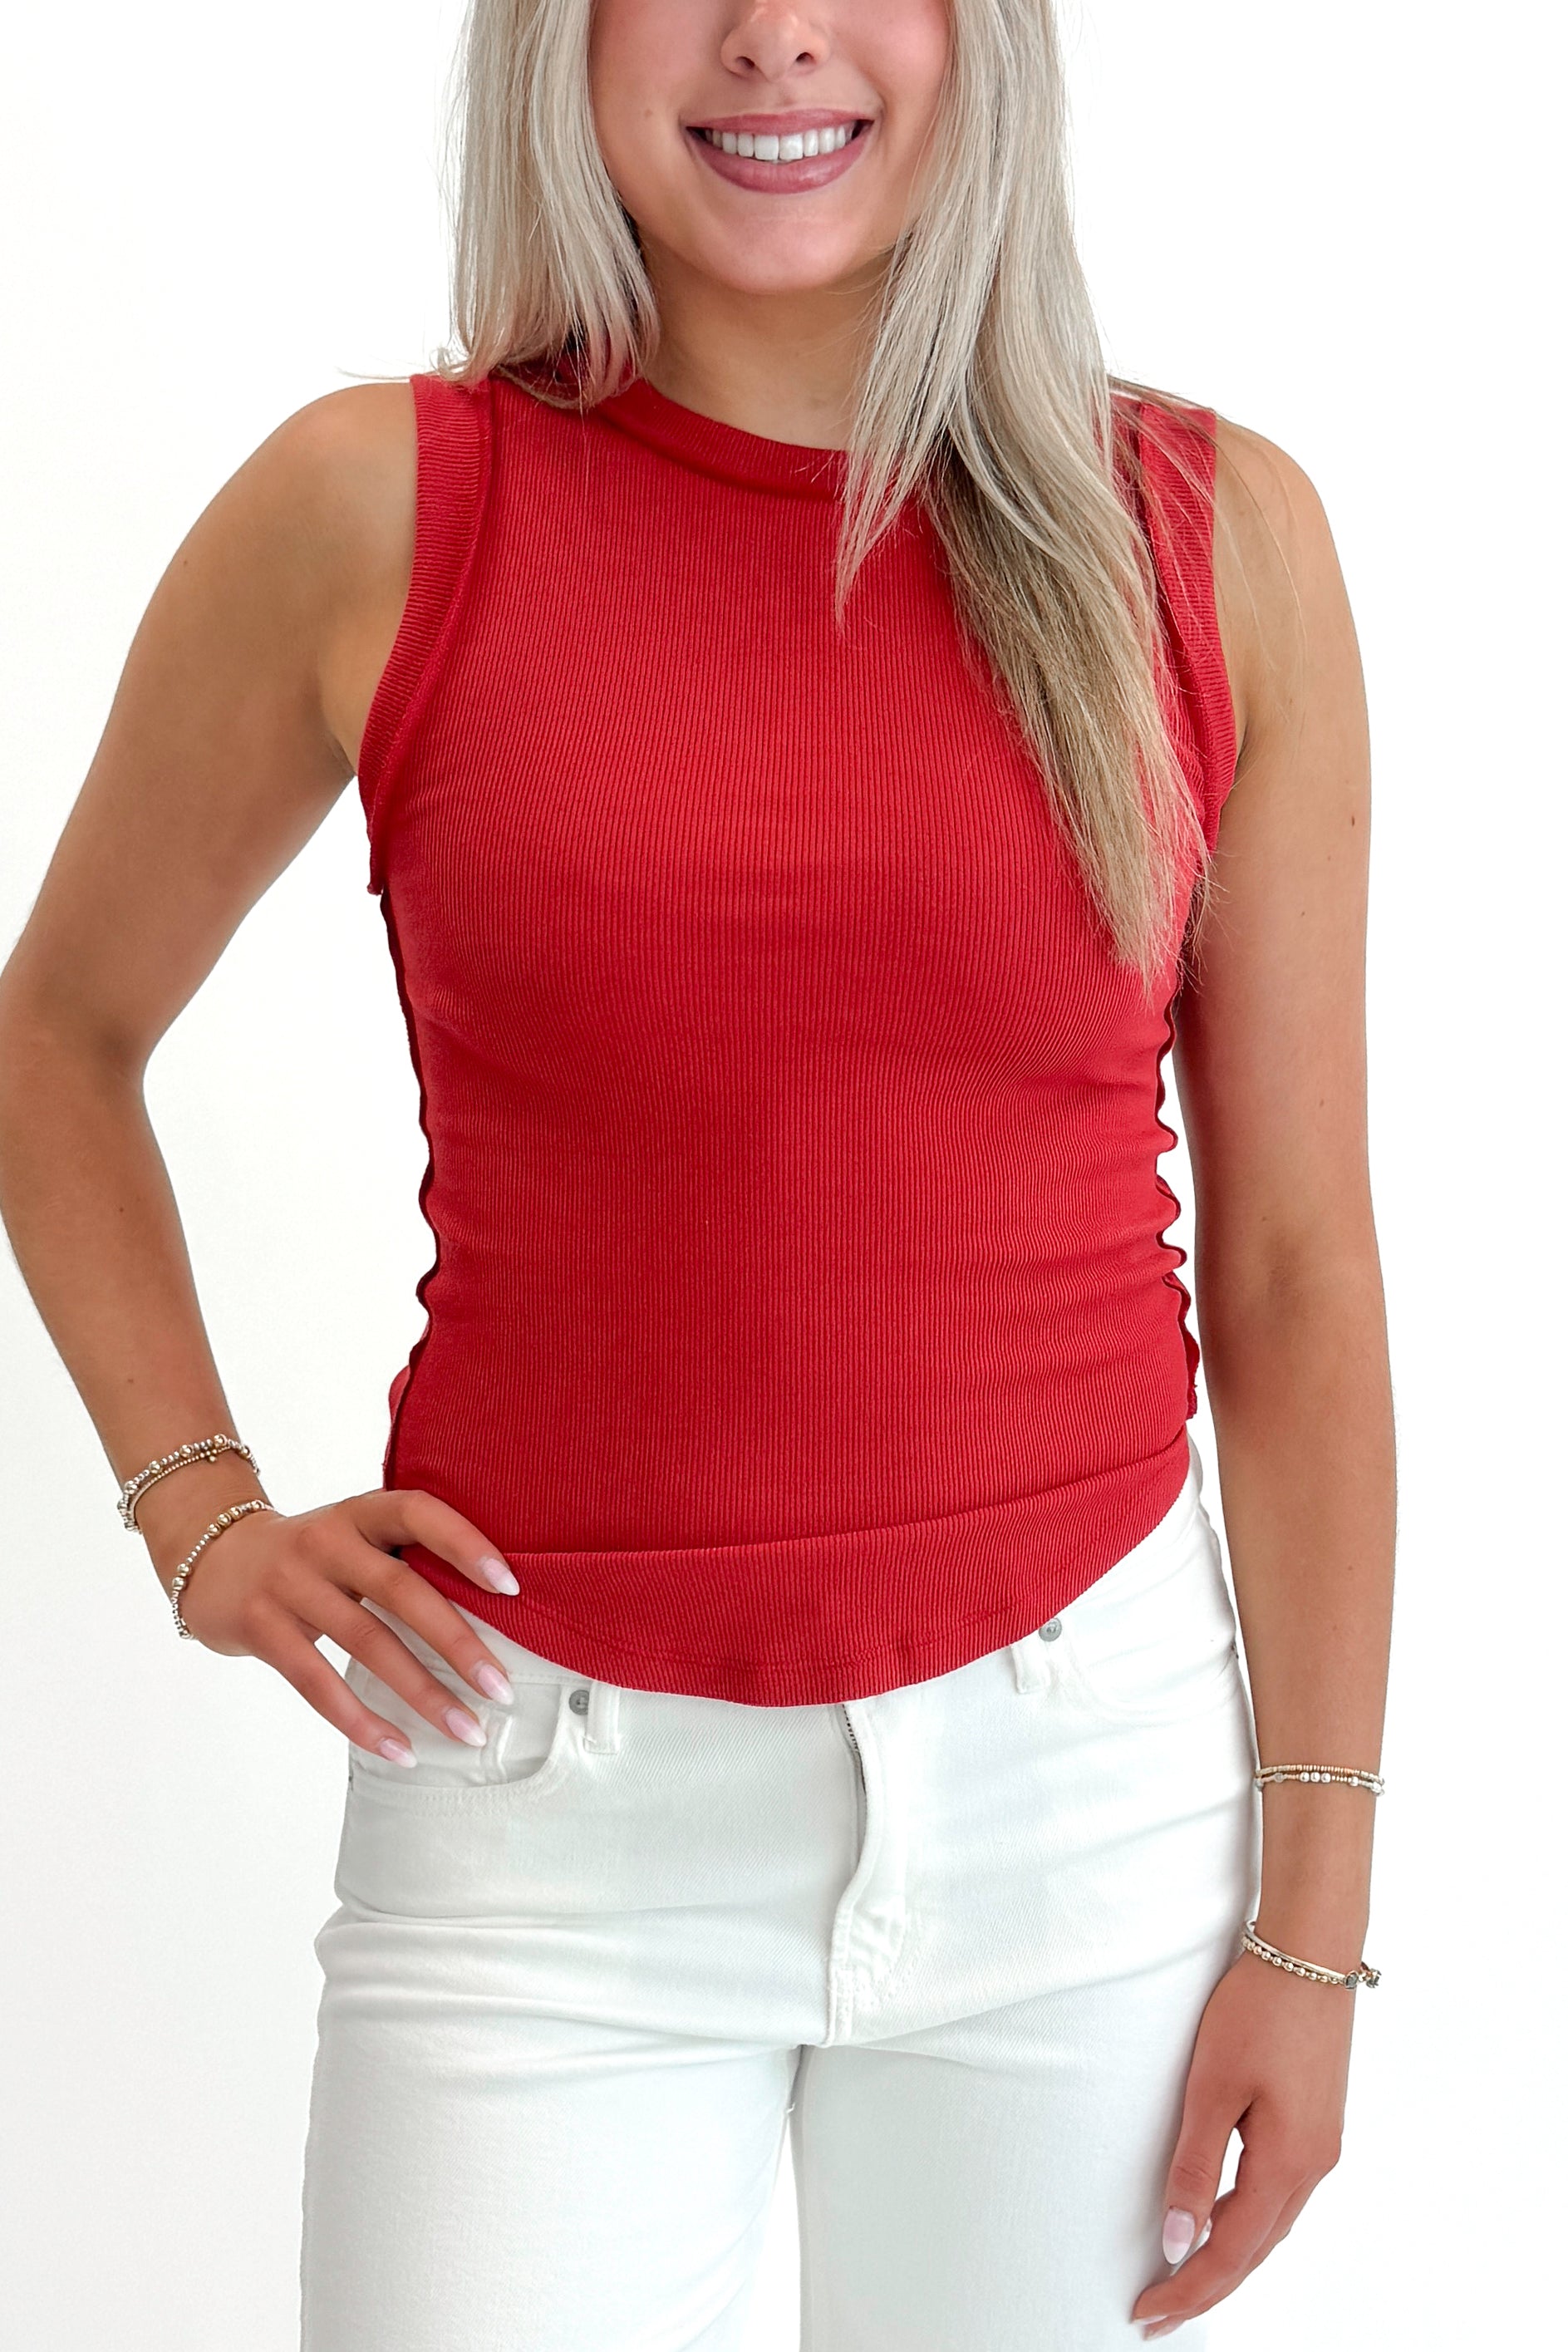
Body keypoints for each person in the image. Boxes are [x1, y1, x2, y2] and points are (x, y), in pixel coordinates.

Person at [0, 2, 1394, 2345]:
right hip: (541, 1811)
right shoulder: (385, 504)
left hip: (1092, 1806)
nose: (775, 37)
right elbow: (58, 1033)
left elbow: (1293, 1274)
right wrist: (199, 1510)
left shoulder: (1208, 539)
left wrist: (1313, 1923)